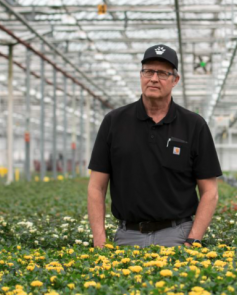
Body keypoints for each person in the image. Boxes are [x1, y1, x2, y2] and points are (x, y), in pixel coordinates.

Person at [87, 44, 222, 248]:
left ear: (175, 80)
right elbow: (96, 187)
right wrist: (99, 239)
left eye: (162, 73)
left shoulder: (194, 125)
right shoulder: (114, 122)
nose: (154, 78)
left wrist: (193, 240)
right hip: (127, 236)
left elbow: (210, 191)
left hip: (177, 235)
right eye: (148, 71)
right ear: (141, 75)